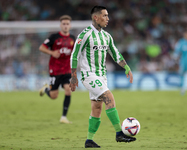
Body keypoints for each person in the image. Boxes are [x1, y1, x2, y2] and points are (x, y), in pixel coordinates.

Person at [70, 6, 136, 148]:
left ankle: (89, 140)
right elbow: (74, 55)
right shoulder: (85, 35)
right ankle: (119, 133)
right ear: (96, 17)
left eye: (108, 16)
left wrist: (126, 67)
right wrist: (73, 76)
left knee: (97, 107)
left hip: (102, 76)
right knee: (109, 98)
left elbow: (115, 53)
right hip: (89, 75)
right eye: (105, 16)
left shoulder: (106, 36)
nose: (108, 19)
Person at [39, 15, 75, 124]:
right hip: (55, 70)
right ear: (60, 25)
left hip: (67, 70)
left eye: (67, 24)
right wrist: (52, 53)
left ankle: (63, 117)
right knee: (54, 96)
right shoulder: (54, 37)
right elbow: (41, 47)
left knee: (68, 90)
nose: (65, 26)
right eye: (63, 24)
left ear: (70, 25)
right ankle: (46, 89)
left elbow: (75, 53)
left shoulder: (73, 39)